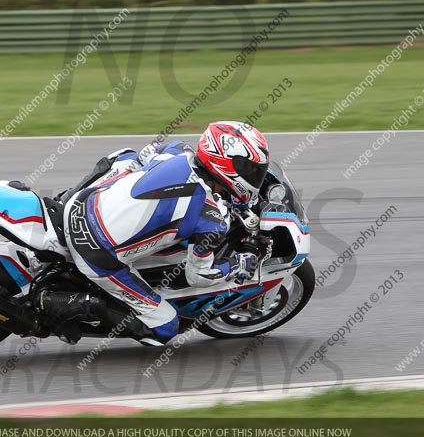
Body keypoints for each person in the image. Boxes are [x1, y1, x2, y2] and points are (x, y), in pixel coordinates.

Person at [48, 121, 270, 345]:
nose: (254, 175)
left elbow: (147, 153)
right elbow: (199, 276)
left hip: (81, 203)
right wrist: (238, 265)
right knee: (165, 326)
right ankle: (69, 305)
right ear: (227, 164)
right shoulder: (212, 220)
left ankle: (63, 197)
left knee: (125, 157)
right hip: (96, 251)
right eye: (249, 168)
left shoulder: (177, 150)